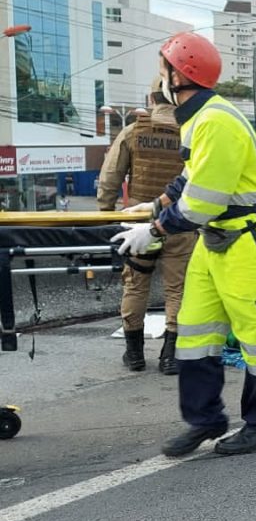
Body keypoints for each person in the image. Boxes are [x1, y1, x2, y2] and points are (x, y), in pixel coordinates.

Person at [112, 32, 256, 457]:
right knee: (193, 332)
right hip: (217, 243)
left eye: (164, 69)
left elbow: (203, 201)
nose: (160, 78)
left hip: (251, 241)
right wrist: (153, 204)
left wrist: (154, 231)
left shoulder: (216, 121)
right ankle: (204, 419)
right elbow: (189, 179)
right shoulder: (198, 118)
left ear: (179, 75)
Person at [97, 77, 194, 375]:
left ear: (151, 99)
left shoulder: (133, 131)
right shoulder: (190, 133)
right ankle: (170, 356)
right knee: (177, 289)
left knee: (135, 284)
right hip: (180, 221)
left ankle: (135, 354)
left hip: (139, 222)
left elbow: (109, 179)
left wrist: (107, 214)